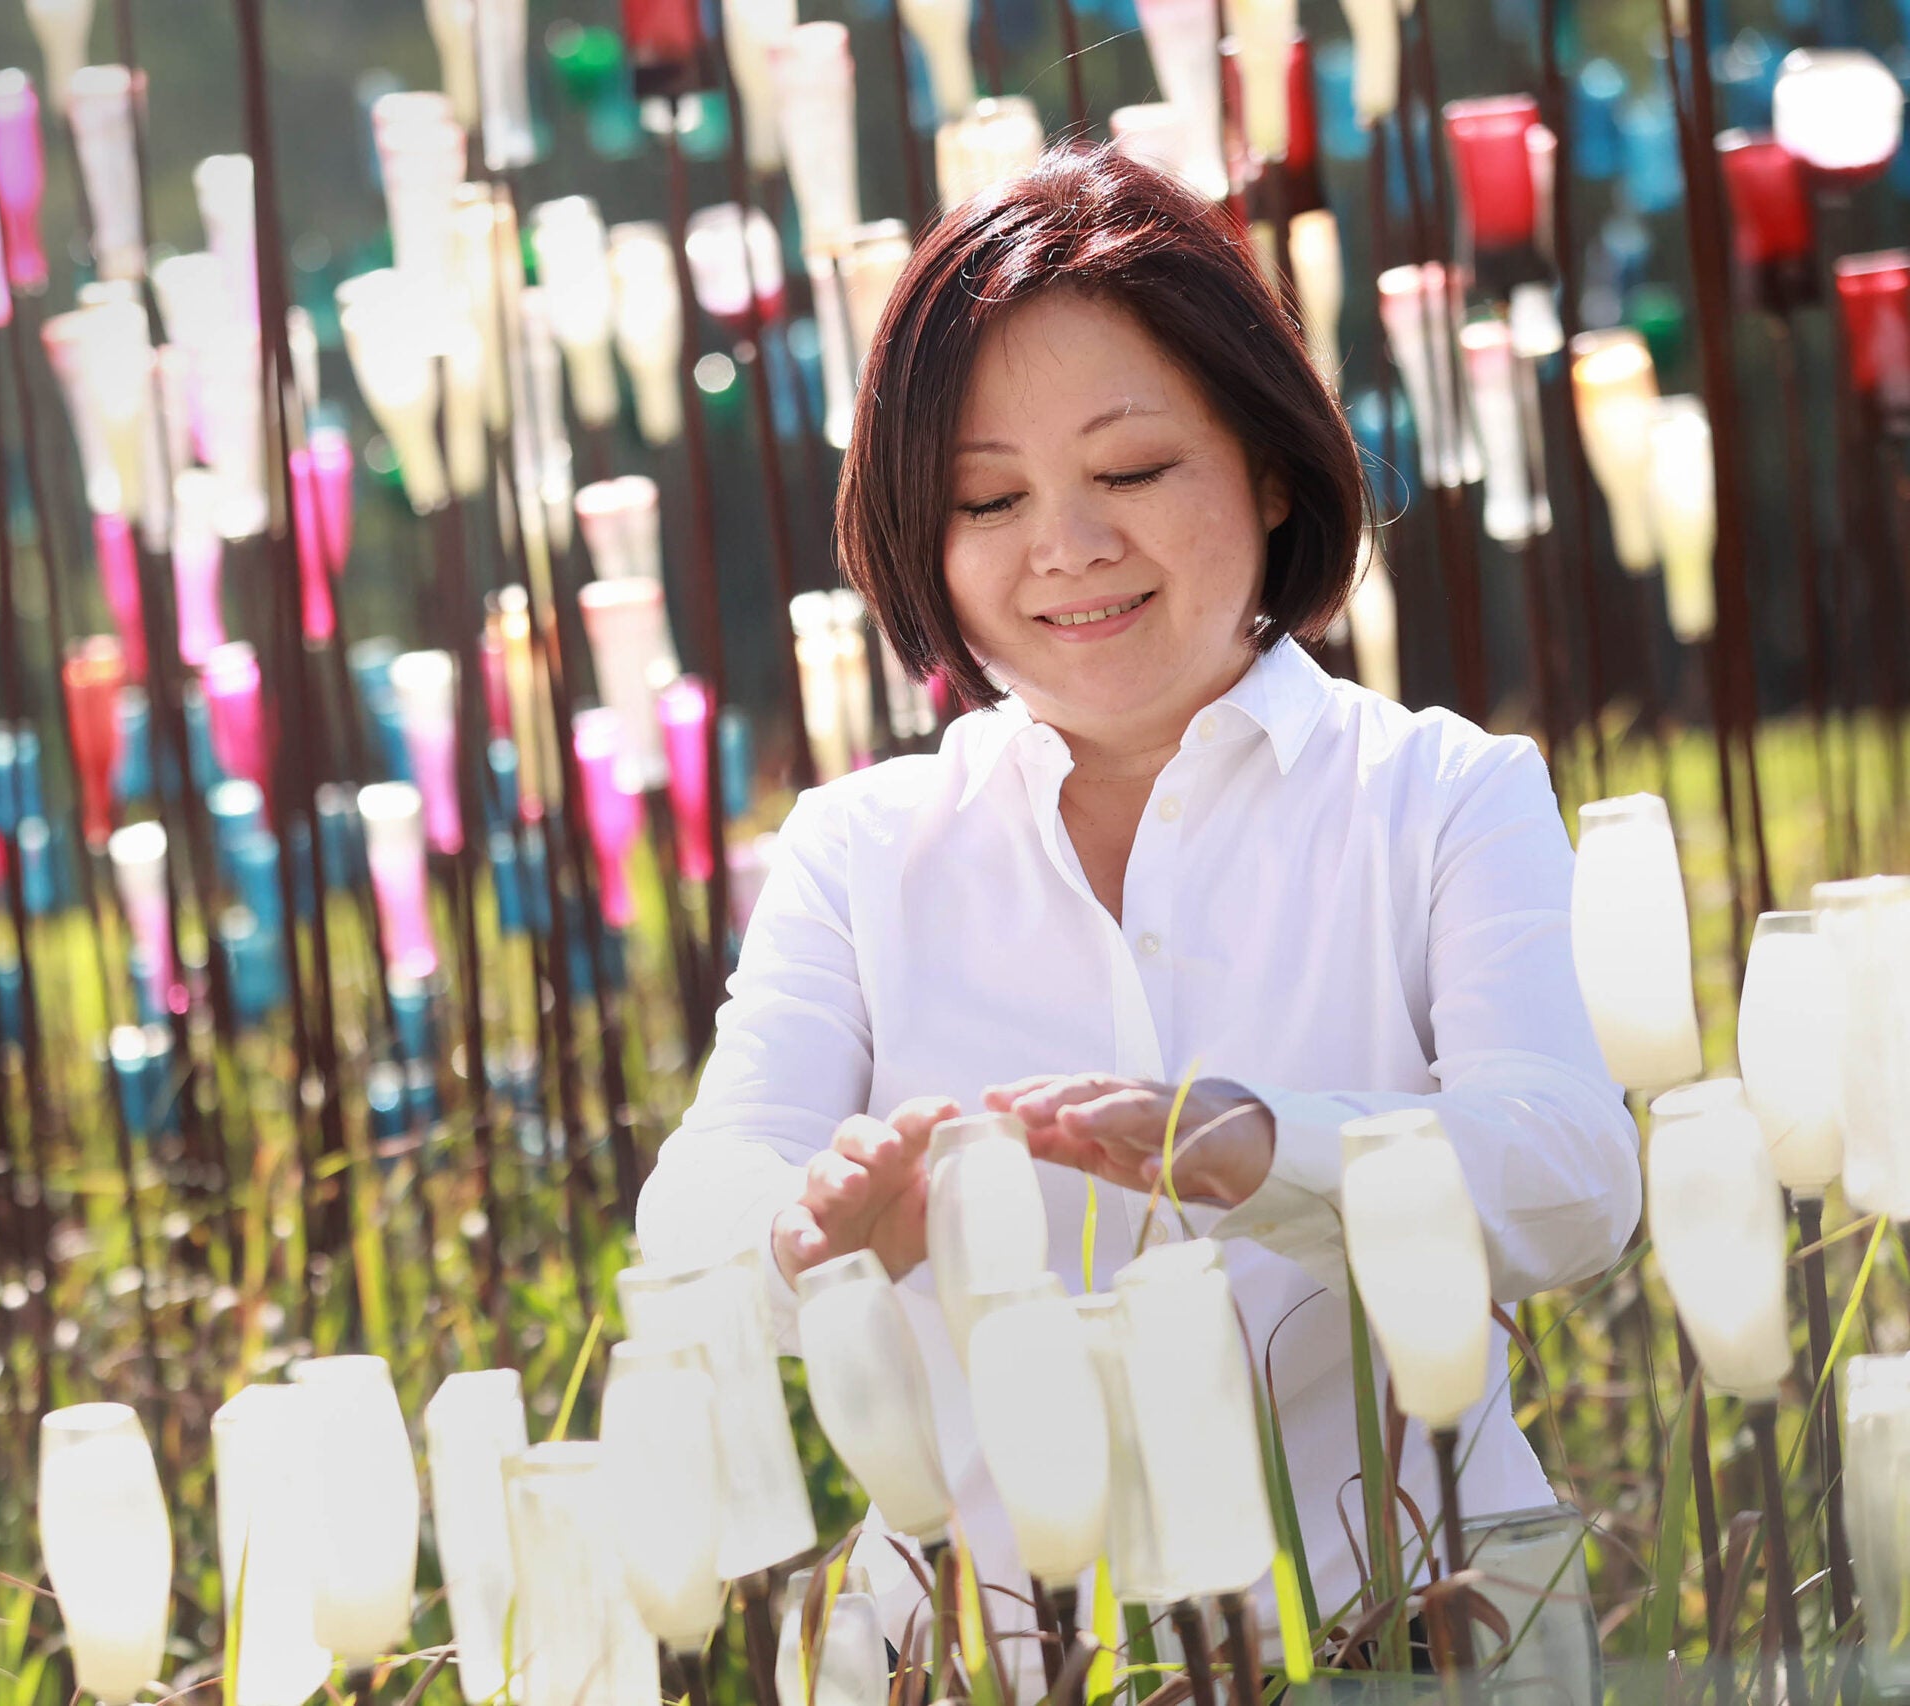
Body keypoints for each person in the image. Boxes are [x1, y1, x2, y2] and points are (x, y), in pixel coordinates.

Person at [634, 145, 1641, 1654]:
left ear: (1271, 462)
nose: (1068, 546)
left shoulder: (1439, 794)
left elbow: (1575, 1178)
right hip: (981, 1658)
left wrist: (1270, 1145)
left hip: (1414, 1627)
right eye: (990, 496)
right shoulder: (859, 850)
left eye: (1132, 470)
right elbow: (694, 1214)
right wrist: (810, 1227)